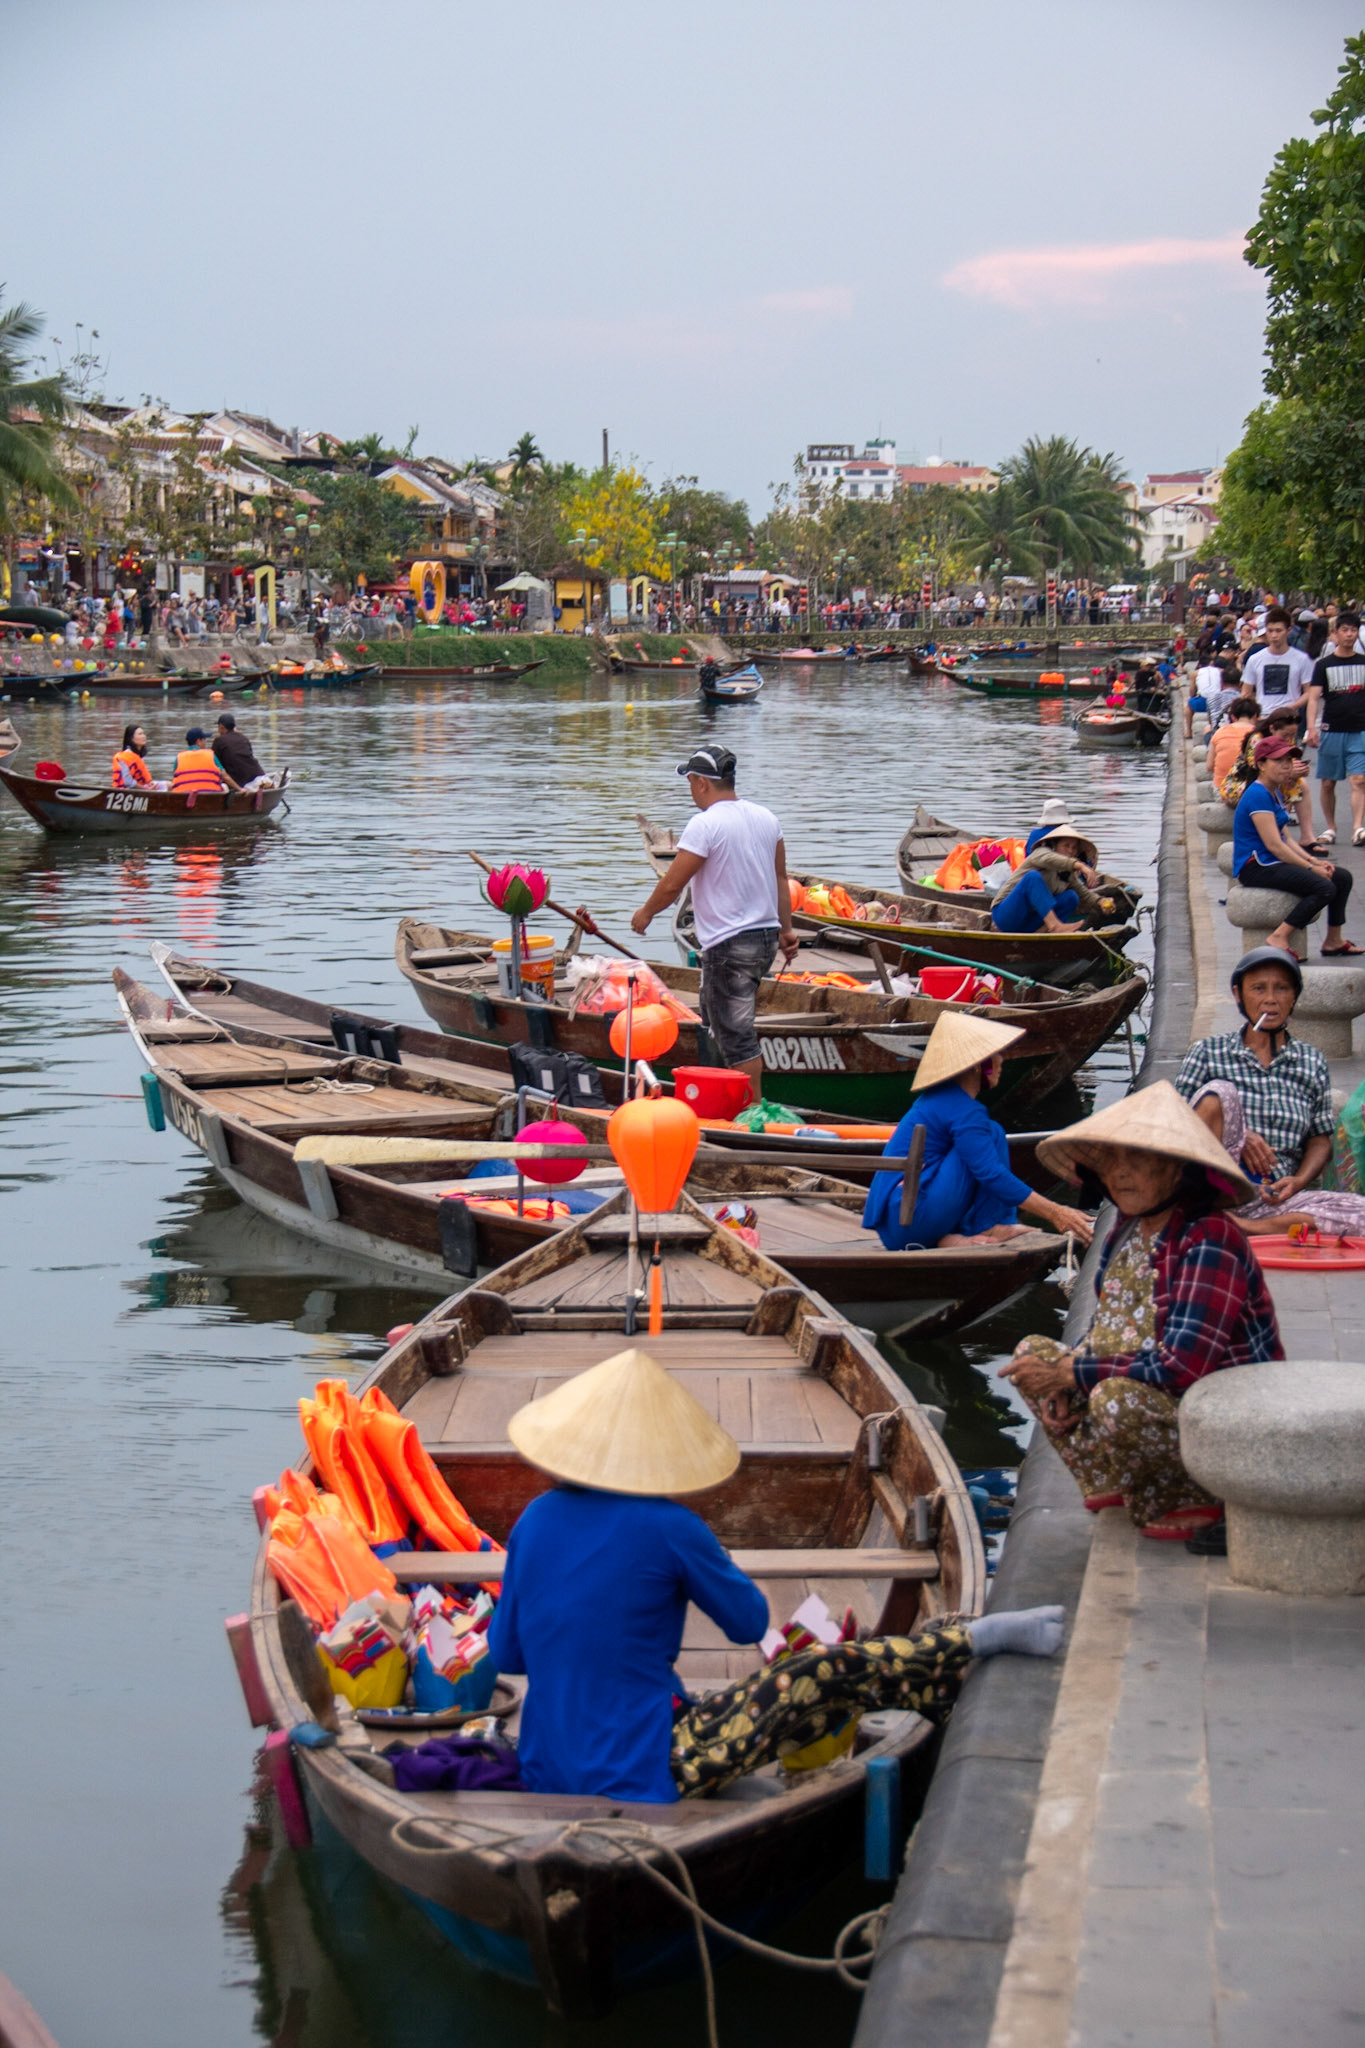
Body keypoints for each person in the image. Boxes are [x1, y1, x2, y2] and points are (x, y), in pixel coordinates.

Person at [484, 1345, 1066, 1802]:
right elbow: (748, 1624)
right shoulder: (671, 1526)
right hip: (651, 1763)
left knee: (782, 1682)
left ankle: (953, 1659)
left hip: (546, 1764)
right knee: (815, 1670)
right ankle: (969, 1644)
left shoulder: (534, 1519)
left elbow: (507, 1654)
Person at [1000, 1082, 1283, 1542]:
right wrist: (1062, 1376)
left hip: (1220, 1416)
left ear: (1176, 1169)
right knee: (1032, 1356)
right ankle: (1113, 1476)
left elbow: (1183, 1365)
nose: (1121, 1175)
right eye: (1112, 1163)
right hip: (1147, 1385)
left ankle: (1190, 1495)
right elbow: (1107, 1326)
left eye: (1138, 1162)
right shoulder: (1126, 1230)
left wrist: (1074, 1373)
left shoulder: (1209, 1238)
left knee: (1114, 1397)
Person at [631, 747, 798, 1104]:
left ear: (701, 782)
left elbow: (673, 883)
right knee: (717, 1020)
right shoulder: (766, 817)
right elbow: (780, 878)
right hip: (766, 937)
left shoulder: (705, 824)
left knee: (737, 1035)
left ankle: (753, 1111)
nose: (691, 789)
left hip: (731, 944)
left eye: (691, 782)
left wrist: (645, 913)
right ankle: (718, 1095)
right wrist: (786, 930)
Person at [862, 1012, 1095, 1251]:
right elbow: (990, 1173)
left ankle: (989, 1225)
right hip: (910, 1218)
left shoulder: (937, 1099)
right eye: (996, 1055)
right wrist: (1056, 1212)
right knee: (988, 1143)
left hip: (896, 1225)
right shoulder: (963, 1110)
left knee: (992, 1132)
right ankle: (987, 1226)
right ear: (978, 1064)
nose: (1001, 1061)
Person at [1177, 947, 1365, 1235]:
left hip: (1276, 1198)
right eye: (1258, 989)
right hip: (1217, 1187)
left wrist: (1298, 1181)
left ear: (1294, 997)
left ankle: (1245, 1227)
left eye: (1282, 989)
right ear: (1238, 994)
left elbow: (1319, 1139)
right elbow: (1174, 1120)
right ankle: (1215, 1213)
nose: (1270, 999)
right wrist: (1240, 1134)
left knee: (1360, 1212)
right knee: (1220, 1092)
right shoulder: (1207, 1052)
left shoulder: (1311, 1061)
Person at [1231, 734, 1356, 955]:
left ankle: (1333, 940)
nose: (1286, 765)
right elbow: (1275, 845)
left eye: (1288, 760)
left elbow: (1287, 839)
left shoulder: (1275, 792)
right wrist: (1311, 868)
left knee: (1342, 877)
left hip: (1272, 862)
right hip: (1256, 866)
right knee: (1324, 887)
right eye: (1278, 760)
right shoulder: (1257, 794)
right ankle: (1279, 935)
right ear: (1261, 764)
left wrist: (1314, 861)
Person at [990, 820, 1128, 936]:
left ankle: (1041, 933)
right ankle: (1055, 926)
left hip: (1029, 922)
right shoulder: (1041, 853)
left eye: (1074, 848)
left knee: (1071, 897)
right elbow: (1053, 860)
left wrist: (1101, 901)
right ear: (1054, 846)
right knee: (1032, 877)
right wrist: (1082, 866)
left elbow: (1084, 894)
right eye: (1066, 846)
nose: (1070, 851)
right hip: (1006, 916)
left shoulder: (1066, 872)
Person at [1305, 607, 1365, 847]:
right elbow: (1313, 698)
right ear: (1335, 633)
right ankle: (1330, 827)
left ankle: (1358, 827)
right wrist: (1311, 727)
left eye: (1353, 630)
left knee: (1359, 780)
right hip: (1332, 730)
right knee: (1328, 782)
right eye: (1345, 630)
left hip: (1360, 729)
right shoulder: (1323, 665)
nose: (1349, 635)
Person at [1205, 696, 1261, 799]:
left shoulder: (1219, 732)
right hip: (1252, 790)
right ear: (1255, 716)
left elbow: (1209, 766)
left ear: (1233, 717)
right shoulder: (1259, 735)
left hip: (1222, 789)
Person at [169, 726, 240, 796]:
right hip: (210, 797)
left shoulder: (179, 757)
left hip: (183, 798)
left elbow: (176, 778)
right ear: (198, 741)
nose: (205, 742)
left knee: (167, 784)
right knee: (224, 786)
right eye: (204, 740)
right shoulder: (211, 755)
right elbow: (225, 777)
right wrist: (240, 789)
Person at [212, 711, 272, 790]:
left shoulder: (219, 741)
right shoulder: (244, 738)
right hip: (256, 775)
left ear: (221, 727)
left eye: (218, 727)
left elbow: (213, 762)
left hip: (238, 782)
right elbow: (250, 756)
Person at [111, 724, 162, 790]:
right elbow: (127, 781)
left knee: (168, 785)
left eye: (143, 733)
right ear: (132, 739)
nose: (143, 736)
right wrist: (144, 788)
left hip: (142, 788)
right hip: (125, 790)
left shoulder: (138, 757)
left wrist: (150, 784)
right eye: (140, 734)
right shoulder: (123, 757)